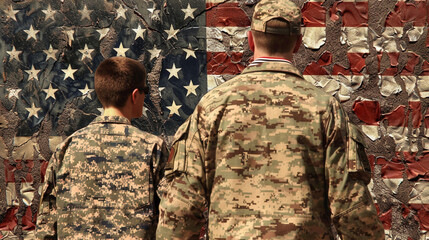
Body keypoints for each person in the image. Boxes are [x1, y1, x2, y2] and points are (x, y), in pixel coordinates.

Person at [156, 0, 385, 239]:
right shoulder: (325, 108)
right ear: (298, 43)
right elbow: (352, 208)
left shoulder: (212, 106)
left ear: (250, 39)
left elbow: (181, 207)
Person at [36, 56, 168, 239]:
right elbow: (172, 218)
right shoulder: (153, 148)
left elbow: (46, 224)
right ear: (135, 95)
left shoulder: (67, 148)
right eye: (145, 91)